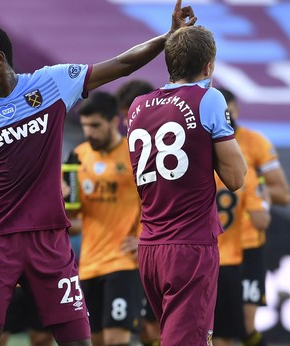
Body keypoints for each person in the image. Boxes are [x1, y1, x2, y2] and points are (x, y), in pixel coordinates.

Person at [0, 2, 197, 344]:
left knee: (77, 340)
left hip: (48, 240)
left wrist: (169, 37)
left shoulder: (51, 83)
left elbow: (123, 64)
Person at [126, 25, 247, 345]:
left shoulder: (137, 105)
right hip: (190, 247)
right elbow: (236, 179)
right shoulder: (208, 98)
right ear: (209, 65)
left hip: (150, 246)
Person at [66, 91, 142, 346]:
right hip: (89, 264)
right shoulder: (78, 155)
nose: (89, 132)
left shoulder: (135, 154)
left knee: (116, 339)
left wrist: (144, 240)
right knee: (93, 340)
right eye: (86, 126)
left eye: (95, 125)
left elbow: (156, 204)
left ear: (113, 121)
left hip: (124, 263)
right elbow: (72, 216)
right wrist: (63, 199)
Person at [217, 88, 289, 346]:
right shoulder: (199, 145)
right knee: (218, 329)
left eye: (229, 111)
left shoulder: (255, 143)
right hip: (213, 244)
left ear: (236, 110)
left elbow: (283, 194)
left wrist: (253, 192)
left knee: (246, 327)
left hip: (248, 245)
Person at [116, 79, 160, 346]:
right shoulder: (134, 148)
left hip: (156, 247)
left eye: (128, 116)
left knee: (156, 328)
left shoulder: (156, 148)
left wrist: (144, 238)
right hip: (140, 251)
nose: (126, 123)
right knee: (147, 330)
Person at [212, 167, 270, 346]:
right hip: (229, 258)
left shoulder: (192, 167)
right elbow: (261, 220)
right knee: (228, 332)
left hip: (194, 256)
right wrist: (265, 201)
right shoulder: (246, 172)